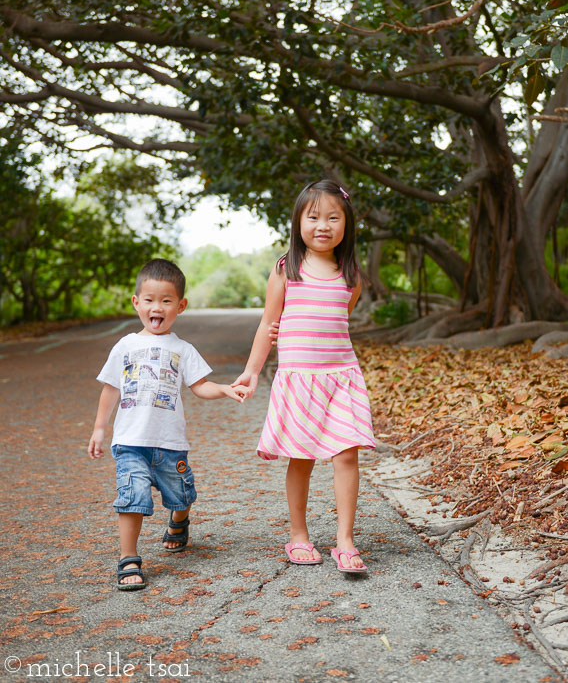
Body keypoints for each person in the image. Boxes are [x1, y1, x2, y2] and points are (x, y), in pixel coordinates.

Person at [234, 180, 376, 572]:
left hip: (342, 377)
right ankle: (298, 535)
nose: (323, 225)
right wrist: (251, 371)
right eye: (313, 217)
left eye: (333, 217)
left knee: (346, 454)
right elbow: (269, 322)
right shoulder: (286, 269)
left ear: (346, 224)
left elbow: (338, 321)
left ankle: (345, 541)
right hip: (299, 379)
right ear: (298, 222)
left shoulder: (351, 275)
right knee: (302, 457)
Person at [88, 258, 246, 590]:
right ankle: (128, 557)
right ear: (136, 303)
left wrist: (224, 389)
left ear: (181, 305)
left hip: (169, 442)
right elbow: (111, 387)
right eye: (149, 300)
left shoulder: (182, 349)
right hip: (130, 441)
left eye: (166, 300)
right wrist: (100, 428)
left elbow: (200, 386)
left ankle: (179, 519)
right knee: (131, 495)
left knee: (180, 494)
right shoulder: (126, 346)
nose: (156, 307)